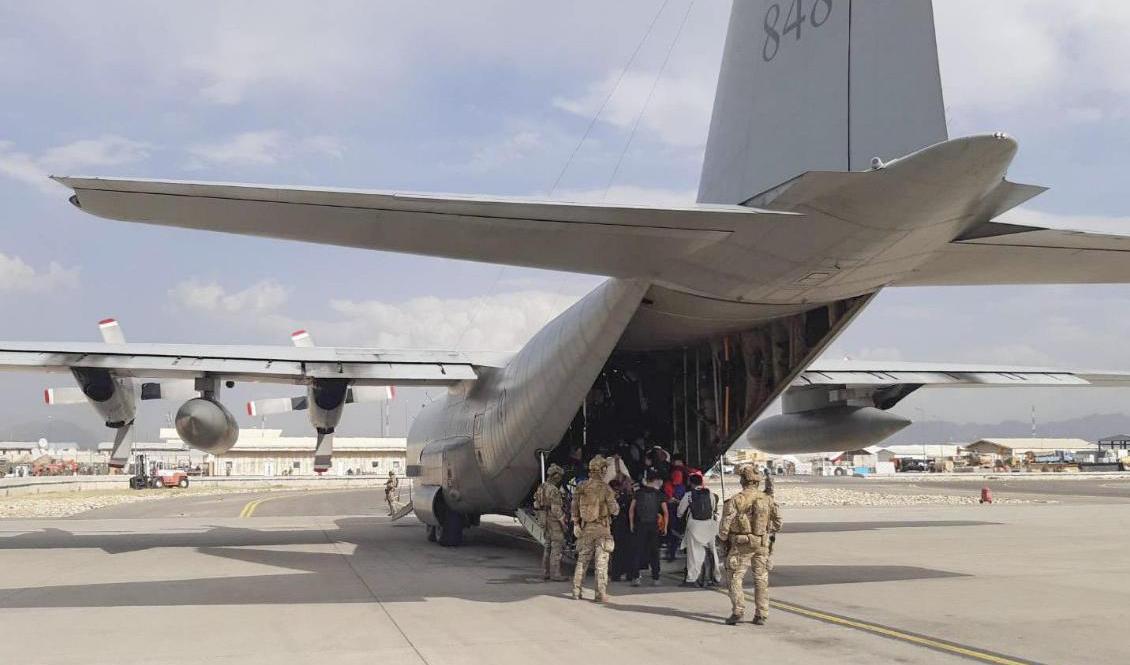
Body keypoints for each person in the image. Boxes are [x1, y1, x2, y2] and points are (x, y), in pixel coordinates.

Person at [719, 465, 782, 625]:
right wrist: (765, 531)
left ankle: (738, 611)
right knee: (761, 578)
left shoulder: (736, 499)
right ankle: (761, 613)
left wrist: (724, 539)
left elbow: (725, 526)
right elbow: (778, 523)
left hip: (742, 546)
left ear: (742, 481)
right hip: (762, 544)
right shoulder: (767, 499)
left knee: (734, 577)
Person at [571, 455, 619, 602]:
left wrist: (576, 524)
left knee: (582, 561)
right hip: (602, 529)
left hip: (586, 528)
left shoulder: (581, 486)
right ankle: (600, 594)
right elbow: (614, 510)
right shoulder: (606, 489)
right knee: (601, 563)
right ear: (602, 470)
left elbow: (574, 508)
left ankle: (576, 591)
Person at [677, 472, 721, 587]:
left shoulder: (689, 495)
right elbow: (713, 508)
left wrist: (679, 517)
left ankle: (692, 579)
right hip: (709, 526)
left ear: (690, 483)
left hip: (694, 526)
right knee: (712, 551)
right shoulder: (710, 493)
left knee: (694, 554)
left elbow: (680, 511)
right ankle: (715, 577)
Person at [629, 469, 667, 586]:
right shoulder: (659, 494)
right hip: (653, 526)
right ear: (655, 481)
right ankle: (656, 578)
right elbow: (665, 512)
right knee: (654, 552)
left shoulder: (638, 492)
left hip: (640, 525)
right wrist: (665, 526)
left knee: (637, 551)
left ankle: (636, 578)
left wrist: (631, 524)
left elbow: (631, 510)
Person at [533, 464, 568, 581]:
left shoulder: (541, 487)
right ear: (556, 476)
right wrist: (563, 522)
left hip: (544, 518)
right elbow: (556, 509)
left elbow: (536, 504)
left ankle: (544, 572)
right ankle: (555, 573)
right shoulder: (554, 490)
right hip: (553, 520)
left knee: (547, 546)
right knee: (556, 545)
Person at [609, 472, 637, 582]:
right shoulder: (629, 498)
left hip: (620, 527)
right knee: (625, 551)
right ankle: (628, 574)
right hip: (626, 527)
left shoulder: (620, 499)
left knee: (619, 551)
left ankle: (618, 574)